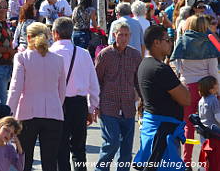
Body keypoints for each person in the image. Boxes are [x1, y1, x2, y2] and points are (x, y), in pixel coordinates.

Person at [8, 22, 66, 171]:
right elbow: (62, 91)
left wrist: (9, 114)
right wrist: (55, 104)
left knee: (25, 160)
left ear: (28, 37)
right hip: (53, 113)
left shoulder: (21, 57)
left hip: (28, 113)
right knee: (50, 161)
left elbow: (15, 88)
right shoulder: (58, 59)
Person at [134, 25, 191, 169]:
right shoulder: (160, 69)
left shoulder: (144, 65)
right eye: (167, 40)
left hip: (155, 130)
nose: (170, 43)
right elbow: (186, 99)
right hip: (163, 133)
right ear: (156, 42)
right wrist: (182, 83)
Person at [49, 17, 100, 171]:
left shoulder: (49, 54)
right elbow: (94, 85)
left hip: (58, 104)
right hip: (79, 104)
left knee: (60, 149)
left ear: (55, 33)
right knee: (79, 149)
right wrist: (91, 109)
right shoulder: (84, 54)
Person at [170, 15, 220, 166]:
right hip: (206, 88)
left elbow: (178, 68)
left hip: (186, 88)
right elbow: (213, 71)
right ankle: (208, 161)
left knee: (188, 126)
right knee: (210, 126)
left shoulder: (181, 42)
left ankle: (186, 161)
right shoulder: (208, 43)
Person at [94, 22, 142, 171]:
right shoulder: (105, 55)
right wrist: (95, 105)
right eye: (120, 34)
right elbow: (96, 80)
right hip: (108, 106)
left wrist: (143, 101)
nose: (123, 38)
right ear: (114, 35)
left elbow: (139, 80)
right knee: (111, 143)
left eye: (126, 35)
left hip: (128, 107)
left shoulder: (135, 55)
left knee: (127, 149)